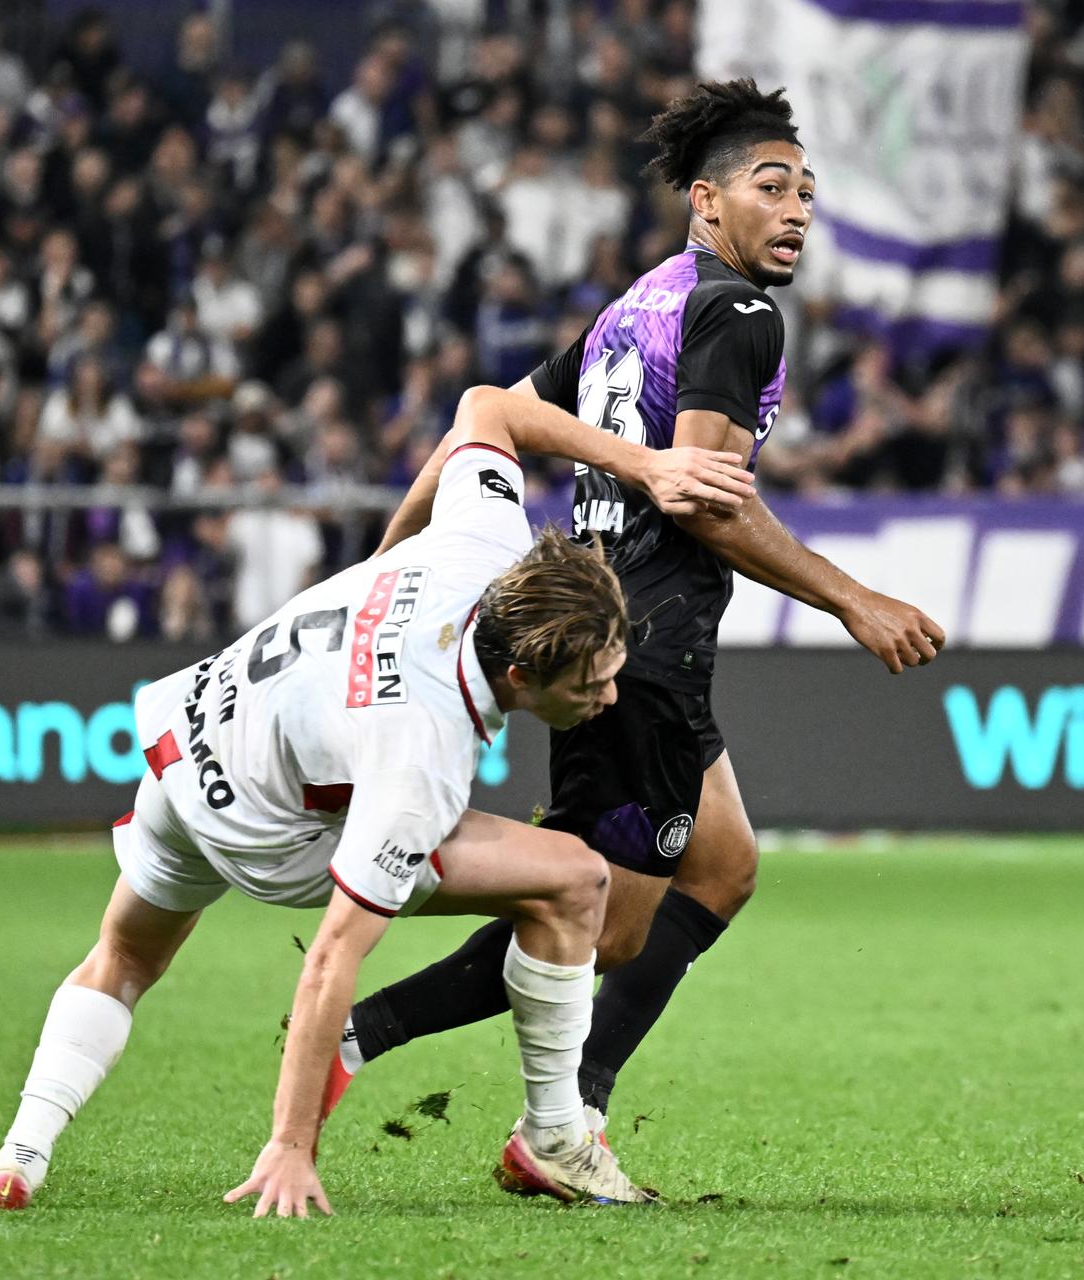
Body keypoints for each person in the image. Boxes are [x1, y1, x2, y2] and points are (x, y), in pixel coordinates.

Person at [0, 384, 756, 1216]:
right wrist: (292, 1146)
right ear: (520, 677)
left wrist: (389, 557)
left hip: (186, 751)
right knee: (578, 881)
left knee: (120, 958)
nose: (611, 699)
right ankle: (556, 1139)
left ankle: (18, 1156)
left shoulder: (484, 540)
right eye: (591, 684)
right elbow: (333, 952)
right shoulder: (423, 753)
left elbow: (485, 407)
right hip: (271, 826)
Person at [332, 80, 946, 1159]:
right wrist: (857, 598)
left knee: (723, 868)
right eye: (772, 187)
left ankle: (580, 1105)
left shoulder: (642, 302)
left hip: (605, 619)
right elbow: (707, 501)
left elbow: (501, 418)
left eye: (808, 190)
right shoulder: (739, 312)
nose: (797, 208)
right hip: (641, 648)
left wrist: (380, 566)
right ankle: (367, 1029)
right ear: (706, 202)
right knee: (602, 919)